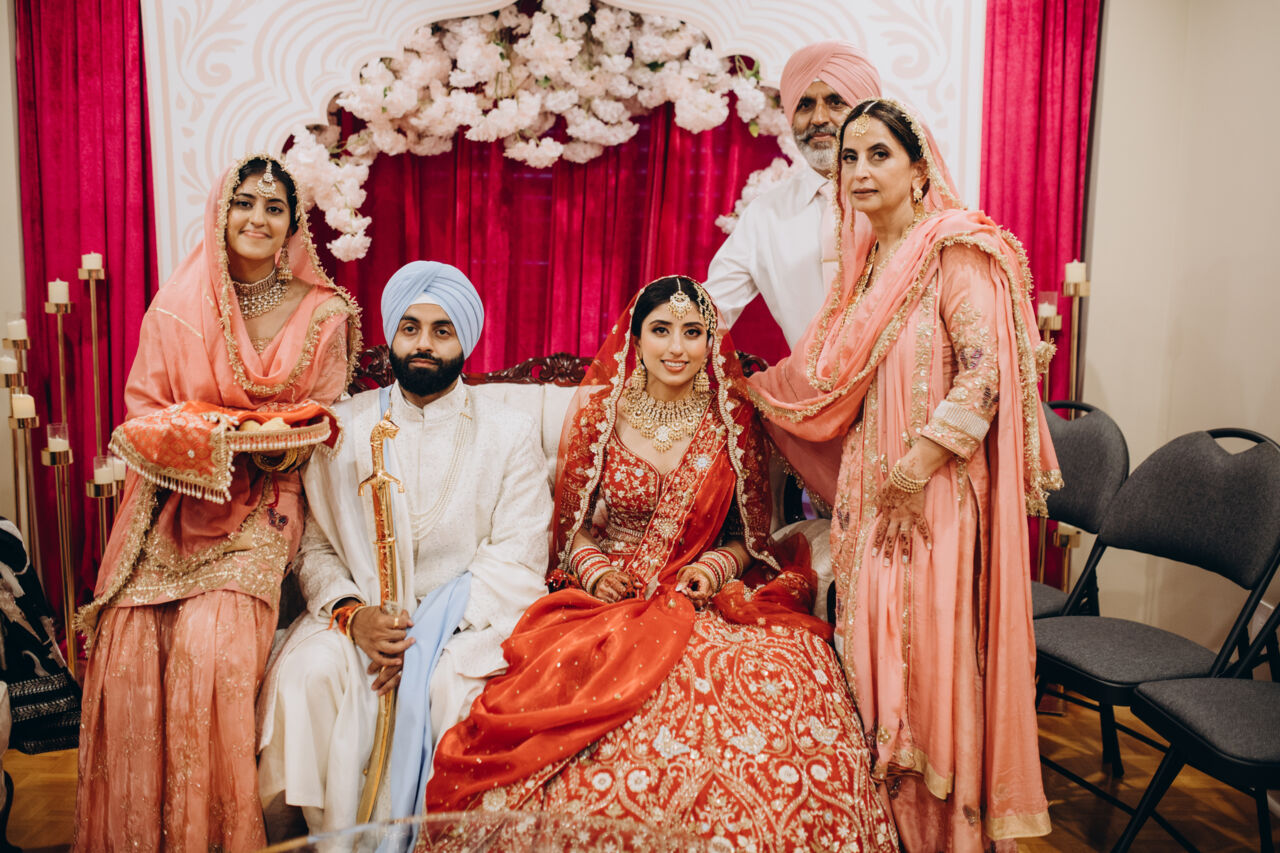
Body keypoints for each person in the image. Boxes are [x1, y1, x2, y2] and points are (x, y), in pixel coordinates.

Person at [426, 277, 898, 853]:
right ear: (636, 339)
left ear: (710, 342)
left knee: (778, 673)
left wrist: (715, 569)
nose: (677, 347)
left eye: (693, 332)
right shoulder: (602, 412)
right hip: (606, 597)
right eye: (662, 331)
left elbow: (749, 535)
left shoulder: (733, 420)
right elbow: (570, 528)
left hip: (707, 597)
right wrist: (597, 571)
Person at [749, 99, 1062, 851]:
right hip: (870, 489)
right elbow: (829, 379)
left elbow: (985, 377)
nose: (859, 171)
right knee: (869, 653)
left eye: (879, 154)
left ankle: (938, 836)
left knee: (922, 661)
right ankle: (876, 830)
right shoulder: (865, 271)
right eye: (849, 157)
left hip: (934, 492)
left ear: (918, 169)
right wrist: (748, 391)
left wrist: (915, 467)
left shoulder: (955, 250)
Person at [73, 155, 360, 851]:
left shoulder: (323, 312)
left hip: (267, 503)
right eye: (245, 203)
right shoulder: (178, 306)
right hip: (175, 504)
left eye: (274, 207)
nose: (258, 218)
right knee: (127, 647)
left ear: (293, 224)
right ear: (221, 213)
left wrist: (270, 446)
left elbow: (322, 419)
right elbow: (141, 416)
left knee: (212, 649)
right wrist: (215, 434)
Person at [256, 261, 551, 835]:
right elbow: (315, 550)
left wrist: (425, 632)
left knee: (451, 689)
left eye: (442, 331)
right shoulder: (340, 429)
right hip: (359, 620)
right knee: (310, 674)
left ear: (466, 340)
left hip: (467, 625)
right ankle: (327, 843)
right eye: (410, 328)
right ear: (391, 334)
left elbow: (519, 554)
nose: (423, 344)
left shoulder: (508, 431)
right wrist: (355, 616)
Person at [703, 40, 883, 347]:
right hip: (807, 378)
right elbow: (711, 308)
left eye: (836, 102)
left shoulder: (904, 198)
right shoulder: (766, 214)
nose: (818, 118)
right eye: (804, 105)